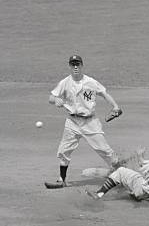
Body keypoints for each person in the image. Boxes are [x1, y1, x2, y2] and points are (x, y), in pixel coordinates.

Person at [45, 55, 122, 189]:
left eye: (78, 64)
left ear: (82, 66)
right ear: (69, 66)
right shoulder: (65, 82)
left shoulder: (91, 82)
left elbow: (104, 93)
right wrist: (55, 100)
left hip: (90, 122)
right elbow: (51, 97)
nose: (75, 67)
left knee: (105, 150)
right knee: (64, 150)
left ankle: (122, 174)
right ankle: (61, 180)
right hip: (72, 122)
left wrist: (115, 106)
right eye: (73, 64)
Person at [87, 148, 149, 212]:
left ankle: (99, 194)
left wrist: (140, 154)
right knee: (142, 180)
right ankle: (132, 192)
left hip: (140, 190)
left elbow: (141, 162)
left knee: (121, 171)